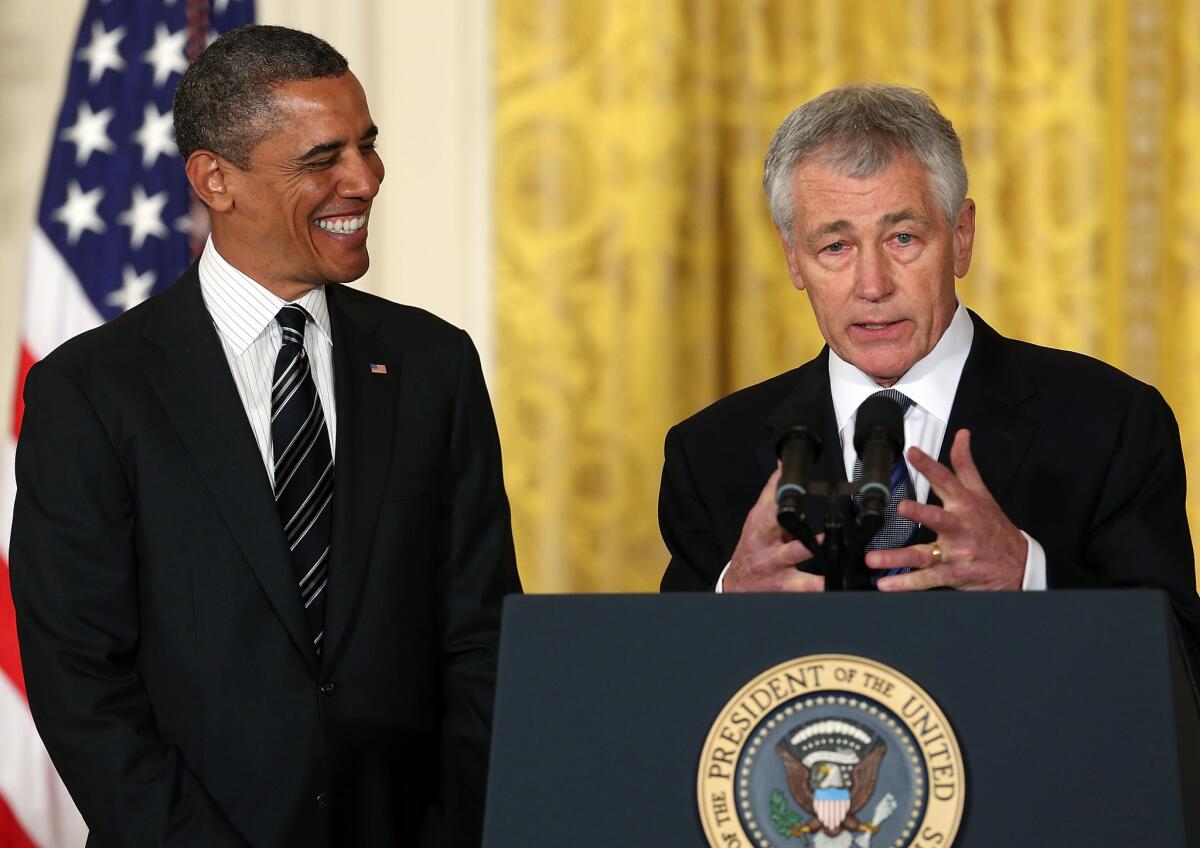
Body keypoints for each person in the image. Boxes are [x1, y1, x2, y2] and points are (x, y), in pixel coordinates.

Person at [10, 25, 519, 847]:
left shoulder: (432, 363)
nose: (365, 179)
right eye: (323, 158)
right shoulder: (91, 391)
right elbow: (79, 677)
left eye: (367, 145)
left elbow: (484, 636)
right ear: (216, 179)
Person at [657, 84, 1200, 668]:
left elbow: (1182, 670)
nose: (872, 285)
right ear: (793, 258)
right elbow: (662, 707)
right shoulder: (711, 455)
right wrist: (724, 608)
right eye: (836, 246)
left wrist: (1026, 574)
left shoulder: (1110, 423)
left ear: (961, 237)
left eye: (903, 238)